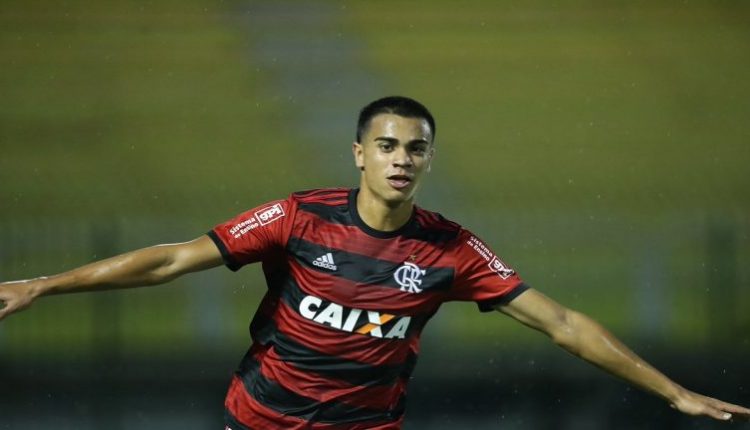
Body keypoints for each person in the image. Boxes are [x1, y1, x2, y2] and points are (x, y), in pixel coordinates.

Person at [0, 96, 747, 429]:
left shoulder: (451, 248)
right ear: (359, 153)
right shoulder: (298, 216)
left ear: (428, 160)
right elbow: (170, 262)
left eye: (416, 148)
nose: (401, 158)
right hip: (258, 421)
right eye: (387, 145)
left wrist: (672, 391)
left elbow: (561, 324)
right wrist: (43, 284)